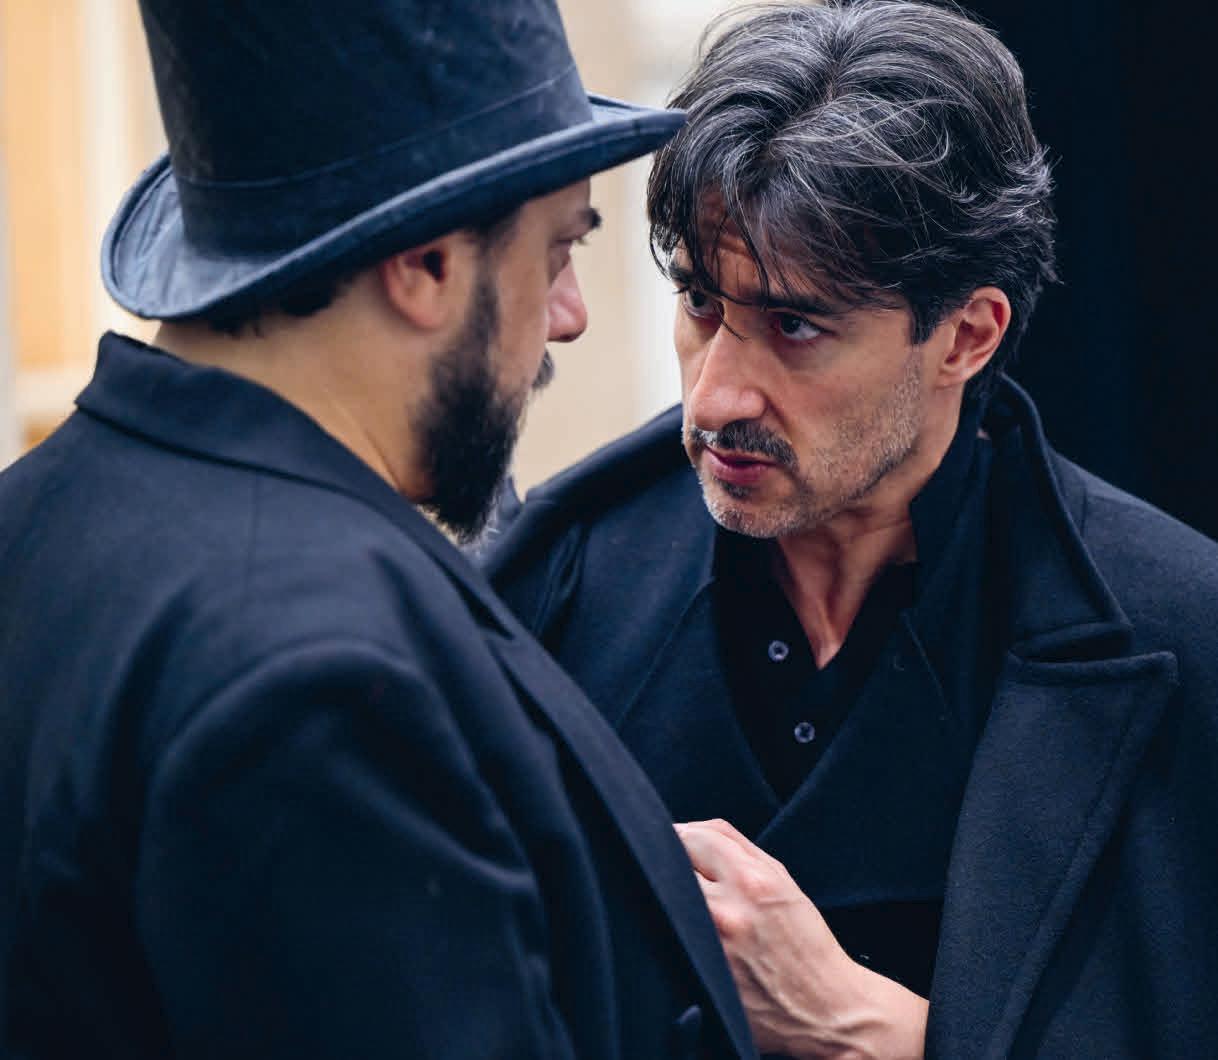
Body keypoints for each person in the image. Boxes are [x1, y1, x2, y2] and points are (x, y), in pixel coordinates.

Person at [0, 2, 756, 1057]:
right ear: (426, 266)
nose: (570, 313)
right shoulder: (319, 675)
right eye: (555, 252)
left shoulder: (35, 514)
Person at [482, 2, 1218, 1057]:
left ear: (966, 336)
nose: (716, 396)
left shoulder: (1182, 636)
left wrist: (874, 1032)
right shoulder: (560, 578)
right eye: (699, 303)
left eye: (795, 325)